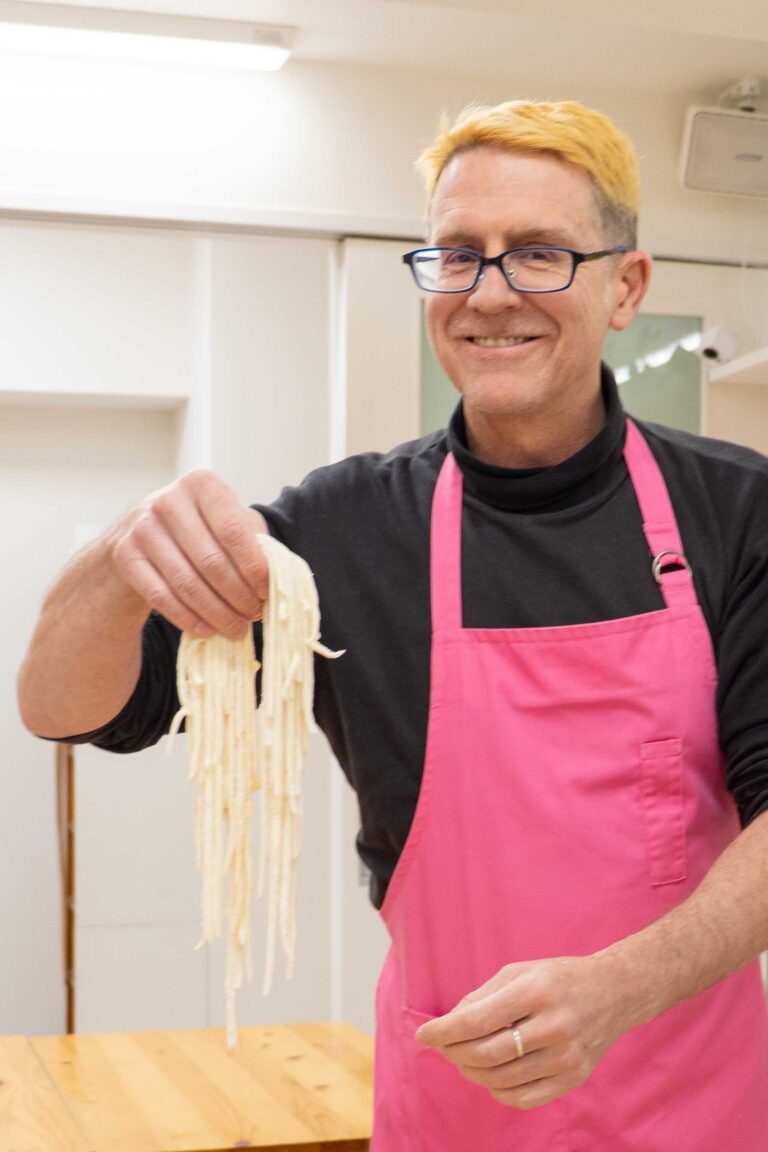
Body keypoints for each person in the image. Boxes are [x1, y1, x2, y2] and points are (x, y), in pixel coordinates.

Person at [18, 100, 768, 1151]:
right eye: (457, 255)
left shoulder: (736, 510)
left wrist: (620, 990)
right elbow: (67, 710)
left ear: (626, 287)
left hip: (691, 1105)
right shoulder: (344, 528)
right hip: (453, 1109)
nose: (489, 293)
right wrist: (116, 557)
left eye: (539, 253)